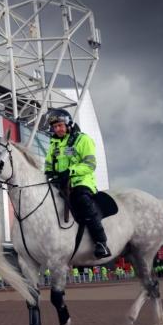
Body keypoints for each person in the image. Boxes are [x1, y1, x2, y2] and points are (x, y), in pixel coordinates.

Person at [44, 108, 111, 259]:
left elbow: (90, 165)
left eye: (60, 125)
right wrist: (49, 173)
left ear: (68, 124)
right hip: (60, 183)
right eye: (55, 127)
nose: (57, 129)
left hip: (81, 181)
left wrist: (70, 171)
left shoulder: (83, 140)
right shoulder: (53, 145)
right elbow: (48, 165)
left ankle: (101, 243)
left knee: (82, 200)